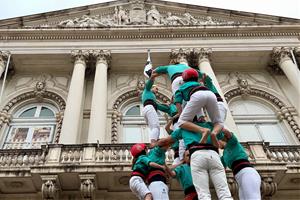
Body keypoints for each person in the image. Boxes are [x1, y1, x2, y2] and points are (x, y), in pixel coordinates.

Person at [157, 121, 233, 200]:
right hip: (213, 154)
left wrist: (156, 145)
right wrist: (215, 131)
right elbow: (225, 134)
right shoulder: (210, 124)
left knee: (204, 195)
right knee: (224, 193)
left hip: (198, 154)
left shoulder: (183, 128)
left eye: (189, 155)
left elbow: (164, 141)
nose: (188, 157)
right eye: (187, 155)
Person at [175, 68, 223, 148]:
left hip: (196, 95)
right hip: (210, 94)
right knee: (219, 122)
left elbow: (178, 102)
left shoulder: (181, 87)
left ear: (184, 79)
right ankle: (214, 133)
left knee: (181, 122)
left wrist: (181, 115)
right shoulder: (199, 83)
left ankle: (203, 130)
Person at [220, 130, 261, 200]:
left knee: (253, 197)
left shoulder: (233, 143)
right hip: (239, 178)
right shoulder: (224, 155)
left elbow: (228, 133)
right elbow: (220, 167)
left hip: (247, 173)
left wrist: (218, 127)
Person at [141, 75, 161, 146]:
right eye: (156, 89)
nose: (157, 91)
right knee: (156, 127)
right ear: (152, 87)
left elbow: (159, 106)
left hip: (146, 109)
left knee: (153, 128)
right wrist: (153, 77)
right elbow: (149, 84)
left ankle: (155, 140)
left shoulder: (150, 95)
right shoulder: (147, 90)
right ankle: (153, 143)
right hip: (149, 108)